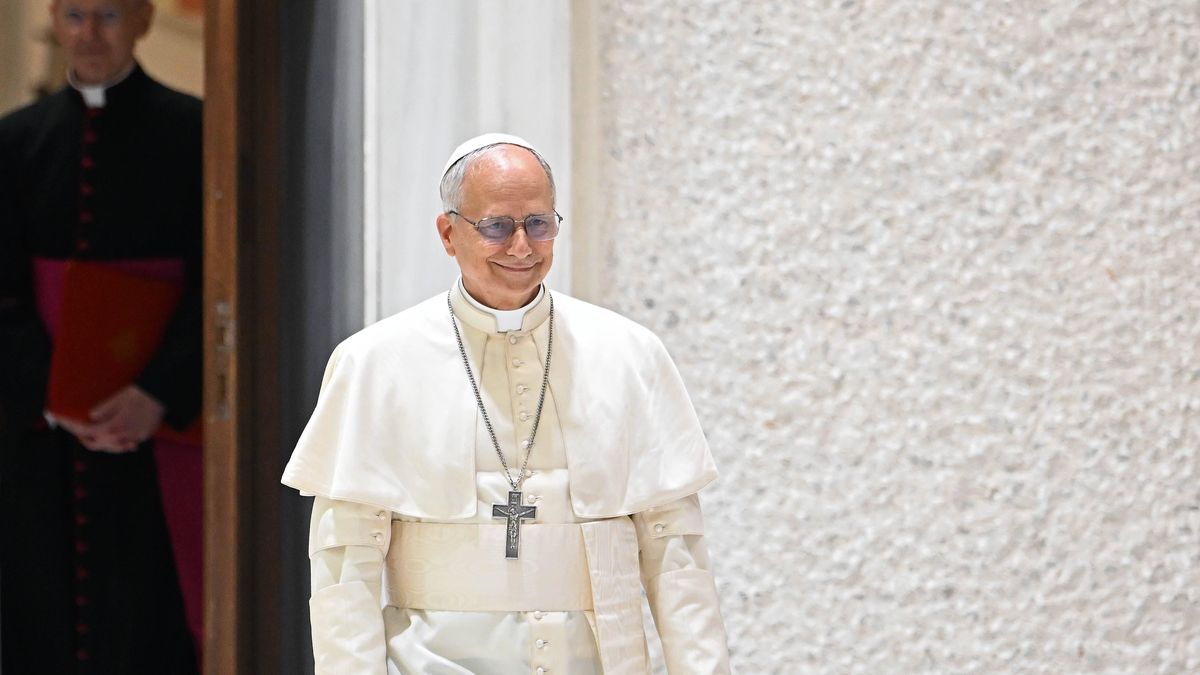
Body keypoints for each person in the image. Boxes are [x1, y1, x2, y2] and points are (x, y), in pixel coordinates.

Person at [283, 132, 732, 674]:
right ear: (448, 233)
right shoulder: (375, 362)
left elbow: (675, 554)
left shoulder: (629, 353)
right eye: (497, 226)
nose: (521, 246)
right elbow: (344, 564)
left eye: (538, 224)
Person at [0, 0, 203, 672]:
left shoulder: (195, 131)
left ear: (143, 20)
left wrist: (157, 391)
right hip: (41, 435)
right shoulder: (16, 140)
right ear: (55, 22)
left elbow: (217, 289)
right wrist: (50, 394)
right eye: (75, 15)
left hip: (159, 429)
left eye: (109, 16)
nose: (90, 34)